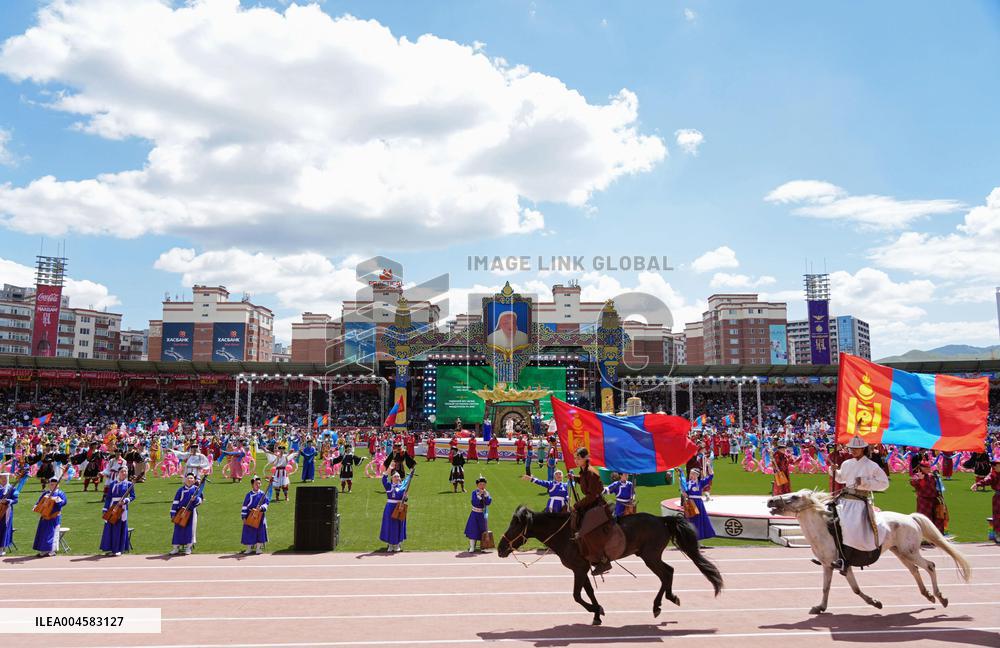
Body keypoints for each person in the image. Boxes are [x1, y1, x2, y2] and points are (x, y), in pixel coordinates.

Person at [830, 435, 891, 573]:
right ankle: (832, 554)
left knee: (850, 528)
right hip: (843, 499)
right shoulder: (846, 463)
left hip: (859, 502)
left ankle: (846, 560)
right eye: (852, 448)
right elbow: (841, 478)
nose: (853, 451)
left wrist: (865, 482)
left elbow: (884, 484)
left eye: (856, 448)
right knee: (830, 522)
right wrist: (834, 471)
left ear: (863, 449)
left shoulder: (871, 465)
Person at [571, 447, 614, 576]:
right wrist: (574, 478)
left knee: (586, 531)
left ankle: (603, 561)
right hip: (590, 503)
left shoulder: (591, 473)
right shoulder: (584, 472)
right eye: (575, 458)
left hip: (598, 505)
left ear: (585, 459)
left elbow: (592, 495)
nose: (576, 460)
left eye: (578, 458)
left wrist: (577, 505)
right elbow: (584, 482)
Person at [100, 466, 135, 556]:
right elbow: (108, 498)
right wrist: (105, 509)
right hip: (112, 508)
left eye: (125, 471)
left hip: (122, 509)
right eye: (122, 471)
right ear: (118, 473)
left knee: (120, 527)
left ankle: (119, 549)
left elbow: (132, 496)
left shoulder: (129, 484)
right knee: (110, 527)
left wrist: (126, 501)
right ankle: (111, 548)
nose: (124, 473)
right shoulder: (112, 484)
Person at [910, 459, 948, 535]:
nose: (928, 469)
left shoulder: (933, 476)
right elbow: (914, 484)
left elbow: (938, 487)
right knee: (925, 518)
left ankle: (938, 535)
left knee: (938, 517)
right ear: (921, 467)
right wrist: (920, 480)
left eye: (929, 468)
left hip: (935, 499)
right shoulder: (916, 476)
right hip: (923, 500)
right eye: (926, 468)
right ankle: (925, 536)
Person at [169, 473, 203, 555]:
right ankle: (176, 547)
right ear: (185, 479)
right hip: (180, 513)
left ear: (194, 480)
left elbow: (200, 501)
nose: (189, 479)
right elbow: (175, 502)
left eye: (191, 478)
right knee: (177, 530)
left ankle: (188, 547)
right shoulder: (180, 490)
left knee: (190, 530)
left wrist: (195, 499)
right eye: (188, 478)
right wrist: (173, 513)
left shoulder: (196, 490)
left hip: (191, 513)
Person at [33, 477, 67, 557]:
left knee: (53, 533)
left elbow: (64, 502)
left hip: (54, 517)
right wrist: (35, 506)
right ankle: (43, 550)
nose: (53, 486)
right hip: (44, 516)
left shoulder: (60, 493)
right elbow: (39, 502)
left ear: (58, 485)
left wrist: (57, 499)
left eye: (54, 484)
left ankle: (52, 550)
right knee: (43, 533)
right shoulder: (46, 493)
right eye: (51, 484)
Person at [379, 469, 411, 552]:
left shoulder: (402, 486)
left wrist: (405, 496)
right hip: (389, 507)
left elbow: (406, 499)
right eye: (395, 476)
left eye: (398, 476)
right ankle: (390, 544)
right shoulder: (389, 486)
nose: (397, 478)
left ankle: (397, 544)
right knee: (389, 524)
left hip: (399, 507)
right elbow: (383, 479)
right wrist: (388, 470)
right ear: (392, 478)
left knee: (398, 525)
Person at [680, 468, 716, 541]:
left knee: (699, 522)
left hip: (698, 504)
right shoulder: (687, 484)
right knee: (690, 521)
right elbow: (685, 494)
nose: (691, 475)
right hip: (691, 504)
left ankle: (698, 540)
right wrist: (683, 493)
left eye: (693, 474)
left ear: (697, 475)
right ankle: (691, 539)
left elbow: (711, 475)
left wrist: (708, 465)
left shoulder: (701, 482)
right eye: (690, 474)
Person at [971, 456, 1000, 544]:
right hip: (998, 498)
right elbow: (986, 480)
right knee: (998, 516)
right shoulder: (993, 475)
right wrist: (977, 484)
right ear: (994, 466)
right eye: (999, 465)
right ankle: (998, 534)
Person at [240, 476, 269, 554]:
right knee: (249, 531)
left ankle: (258, 548)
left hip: (260, 516)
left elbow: (266, 503)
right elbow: (244, 506)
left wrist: (262, 508)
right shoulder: (249, 495)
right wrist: (244, 517)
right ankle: (249, 548)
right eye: (256, 484)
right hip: (250, 516)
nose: (258, 485)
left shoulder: (262, 494)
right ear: (252, 484)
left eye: (259, 483)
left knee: (260, 531)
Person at [465, 477, 492, 552]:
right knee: (473, 529)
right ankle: (472, 547)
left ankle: (483, 546)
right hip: (474, 514)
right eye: (480, 484)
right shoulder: (474, 493)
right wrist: (479, 496)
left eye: (484, 484)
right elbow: (474, 502)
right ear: (477, 485)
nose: (482, 486)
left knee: (483, 530)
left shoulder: (486, 493)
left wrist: (486, 496)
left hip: (482, 514)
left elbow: (488, 502)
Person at [0, 472, 20, 556]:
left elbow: (16, 500)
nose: (4, 480)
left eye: (5, 478)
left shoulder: (13, 489)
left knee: (5, 528)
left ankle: (2, 548)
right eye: (2, 478)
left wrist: (8, 501)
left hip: (7, 511)